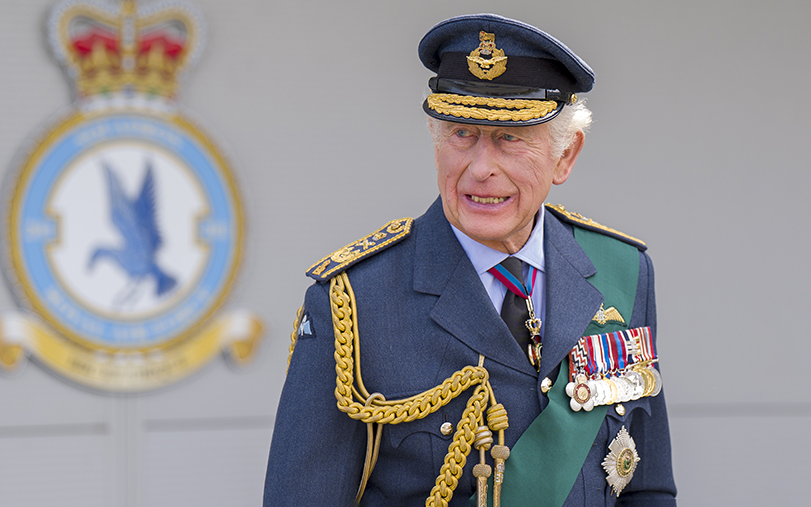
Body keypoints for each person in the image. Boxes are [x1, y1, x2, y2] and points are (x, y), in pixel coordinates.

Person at [264, 13, 676, 507]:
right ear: (436, 142)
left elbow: (647, 488)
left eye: (510, 138)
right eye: (462, 134)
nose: (481, 169)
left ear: (565, 155)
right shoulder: (354, 301)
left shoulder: (624, 272)